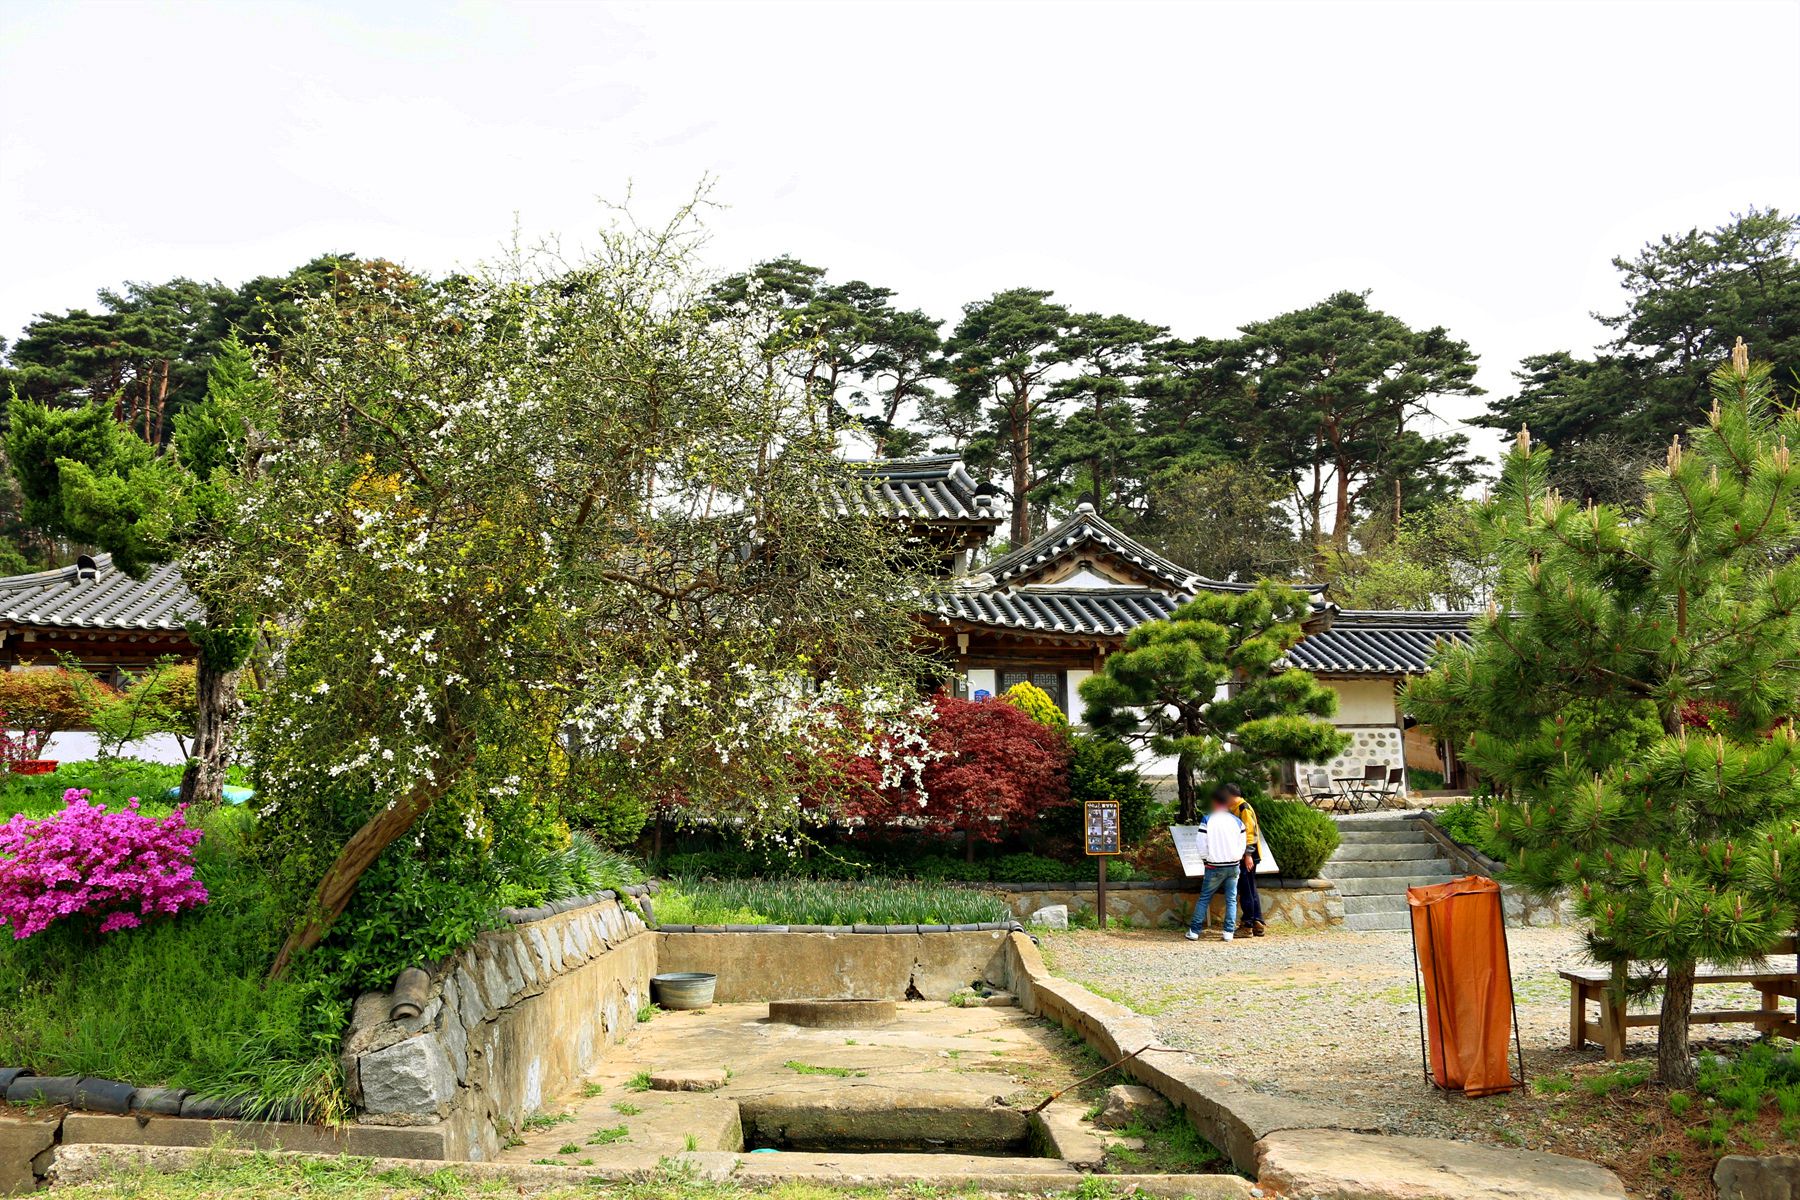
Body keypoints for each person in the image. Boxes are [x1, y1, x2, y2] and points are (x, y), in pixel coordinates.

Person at [1185, 790, 1248, 942]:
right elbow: (1242, 844)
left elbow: (1201, 844)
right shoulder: (1237, 821)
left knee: (1204, 898)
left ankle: (1194, 931)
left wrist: (1206, 859)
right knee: (1231, 899)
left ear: (1214, 802)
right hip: (1233, 865)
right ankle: (1228, 932)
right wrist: (1237, 857)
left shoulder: (1207, 820)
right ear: (1227, 802)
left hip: (1213, 866)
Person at [1217, 783, 1266, 937]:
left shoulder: (1243, 808)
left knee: (1246, 890)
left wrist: (1248, 854)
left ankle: (1247, 924)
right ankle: (1257, 922)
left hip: (1247, 856)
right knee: (1250, 888)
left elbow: (1250, 832)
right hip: (1245, 855)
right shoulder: (1236, 808)